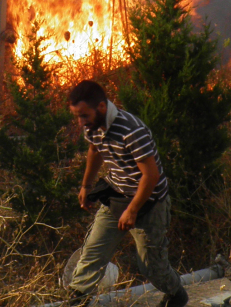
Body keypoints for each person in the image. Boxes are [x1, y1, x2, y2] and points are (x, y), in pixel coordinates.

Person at [65, 80, 187, 307]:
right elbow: (94, 150)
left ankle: (176, 294)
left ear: (102, 107)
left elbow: (151, 176)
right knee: (92, 254)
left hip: (149, 202)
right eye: (77, 116)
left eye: (84, 115)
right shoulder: (92, 126)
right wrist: (86, 186)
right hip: (117, 196)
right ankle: (77, 301)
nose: (80, 122)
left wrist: (132, 210)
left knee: (152, 267)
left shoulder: (132, 130)